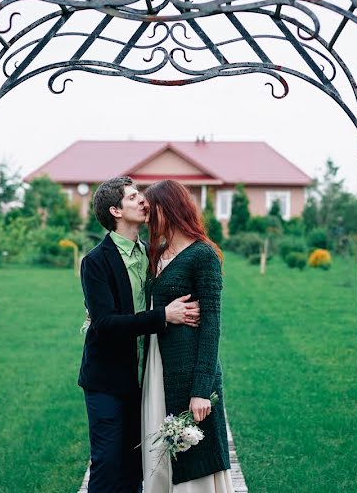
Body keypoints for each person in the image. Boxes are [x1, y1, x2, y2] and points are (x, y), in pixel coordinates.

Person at [79, 176, 201, 493]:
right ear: (115, 211)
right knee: (107, 463)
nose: (143, 201)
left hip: (143, 378)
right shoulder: (95, 262)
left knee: (136, 466)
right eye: (134, 197)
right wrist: (164, 316)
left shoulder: (150, 254)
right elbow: (104, 324)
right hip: (106, 380)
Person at [141, 180, 233, 493]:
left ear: (169, 209)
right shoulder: (157, 253)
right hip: (158, 367)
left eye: (151, 211)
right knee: (161, 449)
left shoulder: (203, 255)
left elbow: (212, 325)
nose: (147, 218)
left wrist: (202, 390)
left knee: (194, 456)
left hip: (189, 369)